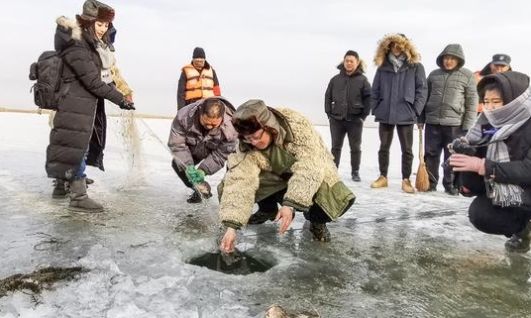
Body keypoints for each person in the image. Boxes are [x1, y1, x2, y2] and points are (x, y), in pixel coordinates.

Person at [217, 100, 355, 253]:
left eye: (256, 136)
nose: (254, 143)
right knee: (231, 180)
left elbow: (309, 167)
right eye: (248, 139)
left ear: (268, 126)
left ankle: (317, 222)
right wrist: (231, 227)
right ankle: (267, 209)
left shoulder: (296, 125)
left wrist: (289, 205)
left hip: (312, 172)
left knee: (327, 192)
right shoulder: (246, 144)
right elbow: (238, 182)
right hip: (277, 177)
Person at [46, 0, 135, 212]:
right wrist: (120, 99)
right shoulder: (78, 44)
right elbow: (93, 81)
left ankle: (62, 186)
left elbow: (105, 76)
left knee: (72, 145)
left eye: (106, 25)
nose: (103, 29)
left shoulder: (91, 44)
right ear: (88, 21)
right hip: (74, 102)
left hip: (81, 102)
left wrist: (123, 92)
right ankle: (78, 196)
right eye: (99, 24)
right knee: (77, 147)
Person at [449, 71, 531, 253]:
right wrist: (463, 151)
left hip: (526, 189)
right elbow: (475, 151)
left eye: (496, 102)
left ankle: (523, 224)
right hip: (505, 183)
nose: (490, 108)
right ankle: (522, 227)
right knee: (480, 214)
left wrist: (482, 166)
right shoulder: (488, 123)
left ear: (514, 99)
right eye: (486, 102)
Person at [370, 33, 428, 193]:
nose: (396, 48)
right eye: (393, 44)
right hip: (385, 112)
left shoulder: (415, 66)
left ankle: (406, 180)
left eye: (399, 45)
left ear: (405, 46)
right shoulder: (383, 66)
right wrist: (376, 107)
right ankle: (383, 177)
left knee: (407, 149)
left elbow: (422, 90)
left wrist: (415, 110)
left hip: (406, 113)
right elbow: (375, 89)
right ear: (388, 46)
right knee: (383, 147)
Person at [419, 44, 478, 195]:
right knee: (430, 154)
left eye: (452, 58)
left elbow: (472, 101)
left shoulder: (467, 75)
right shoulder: (433, 75)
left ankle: (451, 185)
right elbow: (424, 97)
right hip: (433, 122)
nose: (448, 61)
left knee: (452, 156)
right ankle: (430, 183)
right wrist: (421, 118)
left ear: (458, 60)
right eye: (446, 58)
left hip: (455, 124)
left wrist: (468, 125)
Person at [168, 97, 238, 203]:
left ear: (222, 118)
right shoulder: (184, 116)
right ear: (200, 113)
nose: (209, 127)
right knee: (177, 164)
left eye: (214, 125)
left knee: (234, 170)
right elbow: (177, 144)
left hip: (215, 149)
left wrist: (203, 170)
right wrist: (188, 166)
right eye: (206, 123)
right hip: (194, 147)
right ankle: (200, 189)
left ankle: (230, 202)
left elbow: (220, 155)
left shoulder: (231, 128)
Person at [325, 50, 372, 182]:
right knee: (335, 147)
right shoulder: (335, 80)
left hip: (355, 120)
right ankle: (333, 171)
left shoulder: (363, 80)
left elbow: (368, 98)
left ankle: (355, 172)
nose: (349, 63)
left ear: (357, 63)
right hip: (337, 119)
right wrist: (329, 113)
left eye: (352, 61)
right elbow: (327, 96)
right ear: (343, 62)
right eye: (347, 61)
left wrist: (363, 115)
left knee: (355, 147)